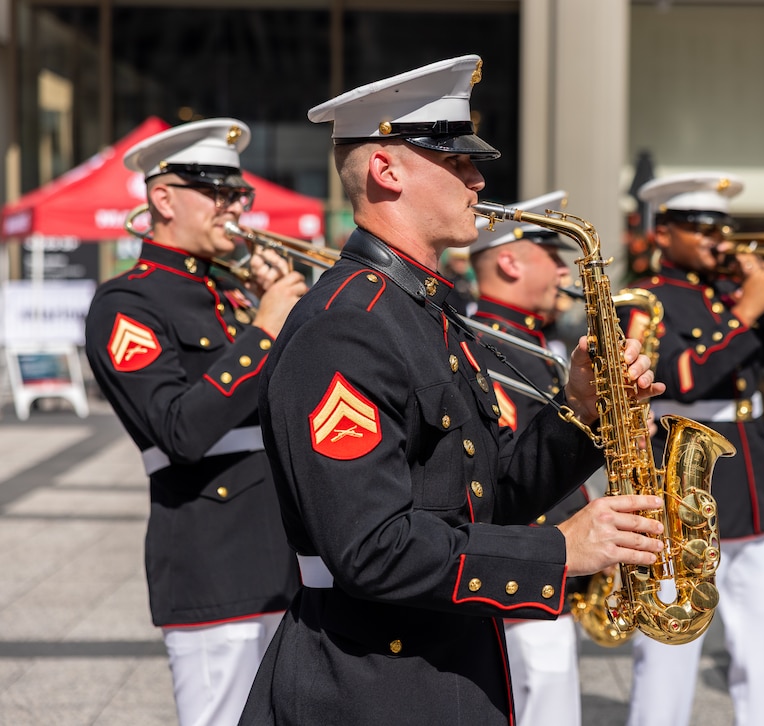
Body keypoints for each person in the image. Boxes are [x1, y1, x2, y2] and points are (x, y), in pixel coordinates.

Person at [238, 54, 666, 726]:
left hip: (444, 665)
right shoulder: (346, 327)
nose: (478, 177)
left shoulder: (422, 312)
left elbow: (485, 493)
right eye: (457, 160)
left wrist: (584, 414)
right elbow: (371, 548)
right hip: (368, 688)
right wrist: (560, 549)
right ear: (387, 170)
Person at [83, 118, 307, 726]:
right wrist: (264, 331)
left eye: (240, 194)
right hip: (217, 560)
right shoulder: (127, 303)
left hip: (288, 559)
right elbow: (180, 430)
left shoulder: (233, 292)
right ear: (162, 198)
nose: (233, 206)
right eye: (217, 191)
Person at [619, 171, 764, 726]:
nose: (717, 237)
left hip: (757, 492)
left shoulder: (733, 293)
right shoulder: (645, 301)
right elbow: (679, 378)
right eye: (700, 226)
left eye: (723, 226)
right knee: (667, 659)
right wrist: (745, 313)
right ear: (663, 234)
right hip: (677, 498)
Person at [469, 189, 589, 725]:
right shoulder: (488, 342)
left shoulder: (530, 342)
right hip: (526, 576)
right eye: (552, 256)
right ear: (510, 260)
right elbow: (510, 469)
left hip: (546, 567)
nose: (564, 272)